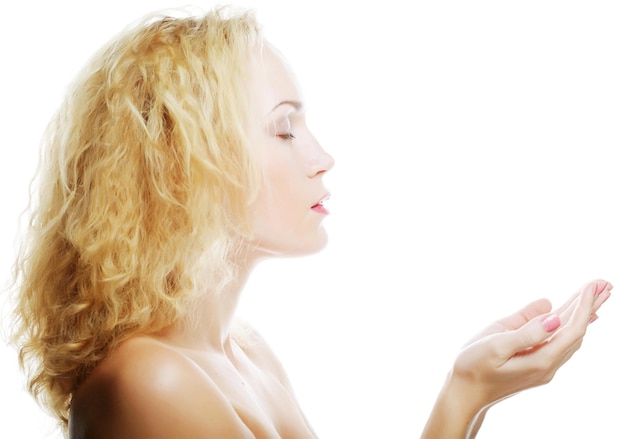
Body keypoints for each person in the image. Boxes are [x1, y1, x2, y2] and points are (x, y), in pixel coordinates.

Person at [9, 6, 612, 439]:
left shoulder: (245, 352)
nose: (322, 158)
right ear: (184, 167)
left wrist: (466, 389)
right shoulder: (151, 383)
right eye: (283, 129)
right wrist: (468, 399)